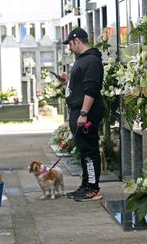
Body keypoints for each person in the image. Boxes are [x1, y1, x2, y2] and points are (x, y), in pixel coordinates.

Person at [58, 28, 105, 202]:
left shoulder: (91, 60)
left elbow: (91, 89)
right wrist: (68, 79)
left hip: (86, 112)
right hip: (78, 110)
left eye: (70, 44)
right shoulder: (83, 59)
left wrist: (84, 113)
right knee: (84, 151)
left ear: (77, 41)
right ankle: (86, 184)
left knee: (89, 150)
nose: (69, 48)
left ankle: (93, 188)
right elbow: (81, 82)